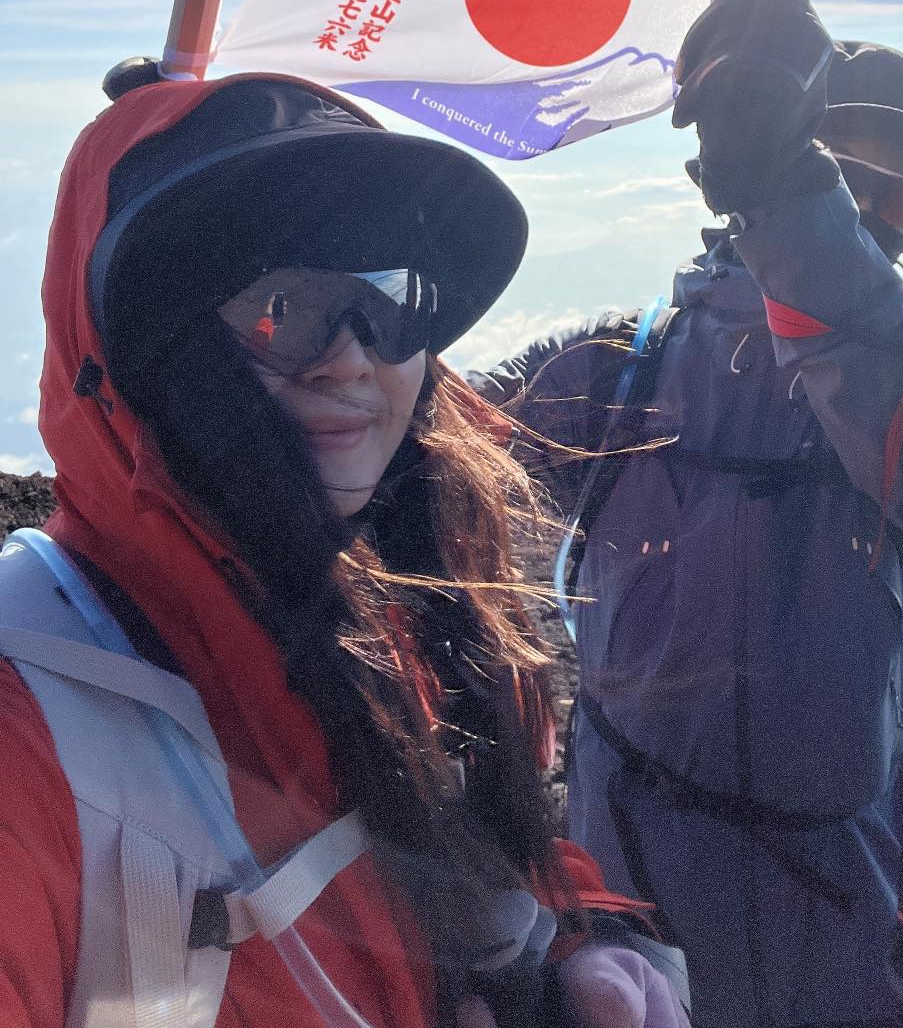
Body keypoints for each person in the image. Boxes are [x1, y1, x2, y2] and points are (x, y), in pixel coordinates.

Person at [0, 67, 691, 1028]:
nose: (354, 358)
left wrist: (578, 953)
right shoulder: (33, 716)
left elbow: (484, 857)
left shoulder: (407, 620)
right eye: (278, 308)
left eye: (389, 299)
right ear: (144, 352)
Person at [468, 0, 903, 1028]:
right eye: (838, 173)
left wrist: (794, 203)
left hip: (834, 908)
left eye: (894, 196)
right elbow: (424, 450)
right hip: (625, 891)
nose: (868, 212)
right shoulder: (619, 363)